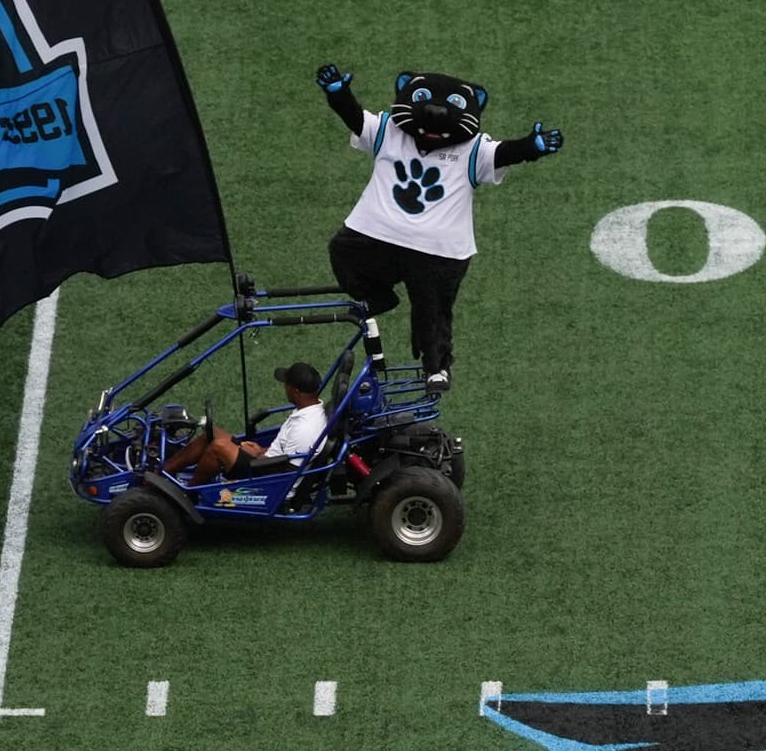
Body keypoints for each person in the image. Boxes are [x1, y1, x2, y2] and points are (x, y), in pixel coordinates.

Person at [311, 66, 561, 396]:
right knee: (342, 251)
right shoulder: (390, 130)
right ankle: (378, 297)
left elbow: (506, 152)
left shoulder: (473, 149)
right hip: (376, 236)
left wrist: (532, 147)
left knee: (431, 308)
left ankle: (437, 367)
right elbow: (356, 117)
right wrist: (339, 94)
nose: (436, 113)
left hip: (437, 250)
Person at [172, 361, 326, 476]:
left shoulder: (305, 428)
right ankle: (164, 470)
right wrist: (261, 450)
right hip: (266, 461)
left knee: (218, 447)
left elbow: (288, 471)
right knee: (211, 434)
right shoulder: (309, 411)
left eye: (286, 385)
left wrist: (258, 457)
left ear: (295, 391)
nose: (284, 388)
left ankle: (189, 493)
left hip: (266, 476)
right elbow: (286, 453)